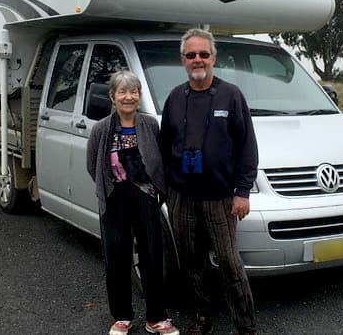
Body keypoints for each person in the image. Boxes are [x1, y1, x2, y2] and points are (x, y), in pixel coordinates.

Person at [160, 28, 258, 335]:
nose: (198, 60)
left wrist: (242, 192)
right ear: (183, 60)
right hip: (182, 197)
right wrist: (165, 191)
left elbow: (247, 147)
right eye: (191, 55)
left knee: (230, 264)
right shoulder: (175, 98)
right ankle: (202, 318)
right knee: (191, 263)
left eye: (204, 54)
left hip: (220, 198)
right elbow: (165, 148)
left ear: (213, 58)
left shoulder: (231, 95)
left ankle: (246, 326)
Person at [86, 70, 179, 335]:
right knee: (116, 258)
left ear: (139, 95)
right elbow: (93, 165)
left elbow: (158, 160)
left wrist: (156, 189)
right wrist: (112, 186)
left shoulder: (150, 125)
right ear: (112, 97)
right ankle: (122, 317)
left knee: (152, 258)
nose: (129, 97)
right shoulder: (101, 129)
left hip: (146, 197)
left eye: (134, 91)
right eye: (122, 92)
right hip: (115, 198)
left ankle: (156, 318)